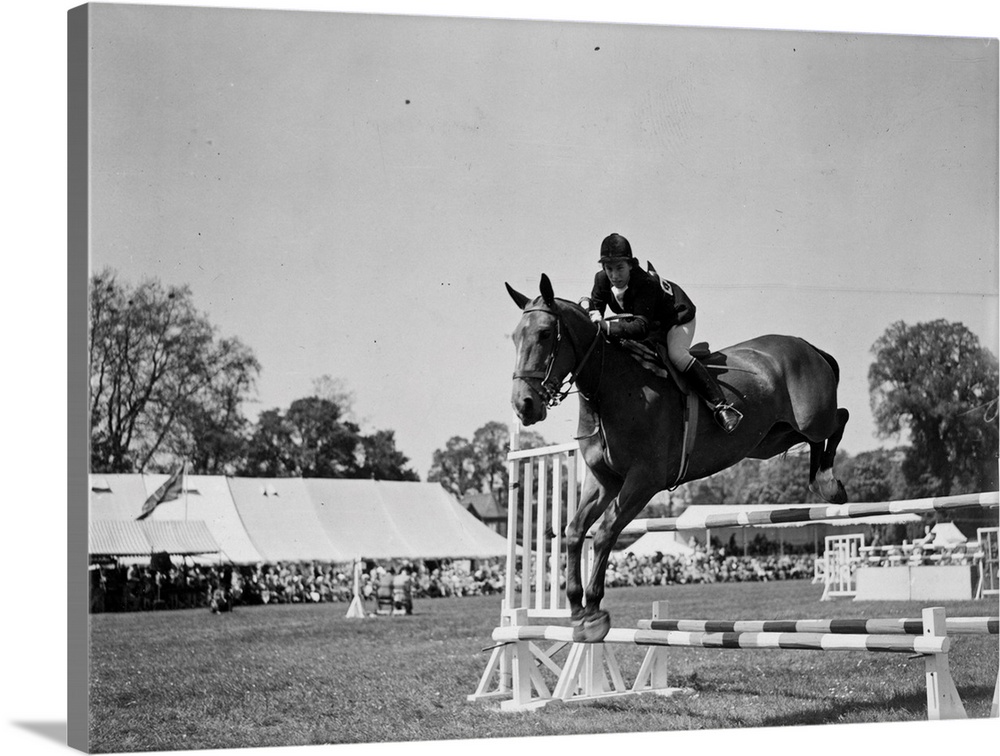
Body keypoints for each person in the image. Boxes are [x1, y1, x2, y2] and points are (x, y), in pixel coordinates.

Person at [582, 232, 742, 433]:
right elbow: (595, 311)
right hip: (652, 322)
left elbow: (640, 328)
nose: (614, 276)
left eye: (620, 268)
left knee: (677, 355)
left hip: (676, 316)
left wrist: (606, 326)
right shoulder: (601, 280)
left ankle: (721, 406)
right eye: (609, 269)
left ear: (631, 265)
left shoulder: (644, 283)